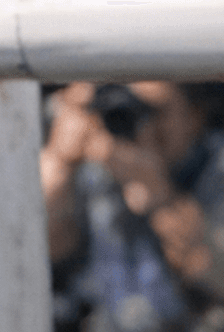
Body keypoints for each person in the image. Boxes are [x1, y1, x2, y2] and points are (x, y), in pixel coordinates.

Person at [42, 81, 224, 332]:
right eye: (118, 106)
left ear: (195, 116)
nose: (138, 123)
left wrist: (163, 199)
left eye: (153, 111)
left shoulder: (216, 166)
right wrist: (60, 161)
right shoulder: (89, 164)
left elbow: (214, 272)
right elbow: (31, 254)